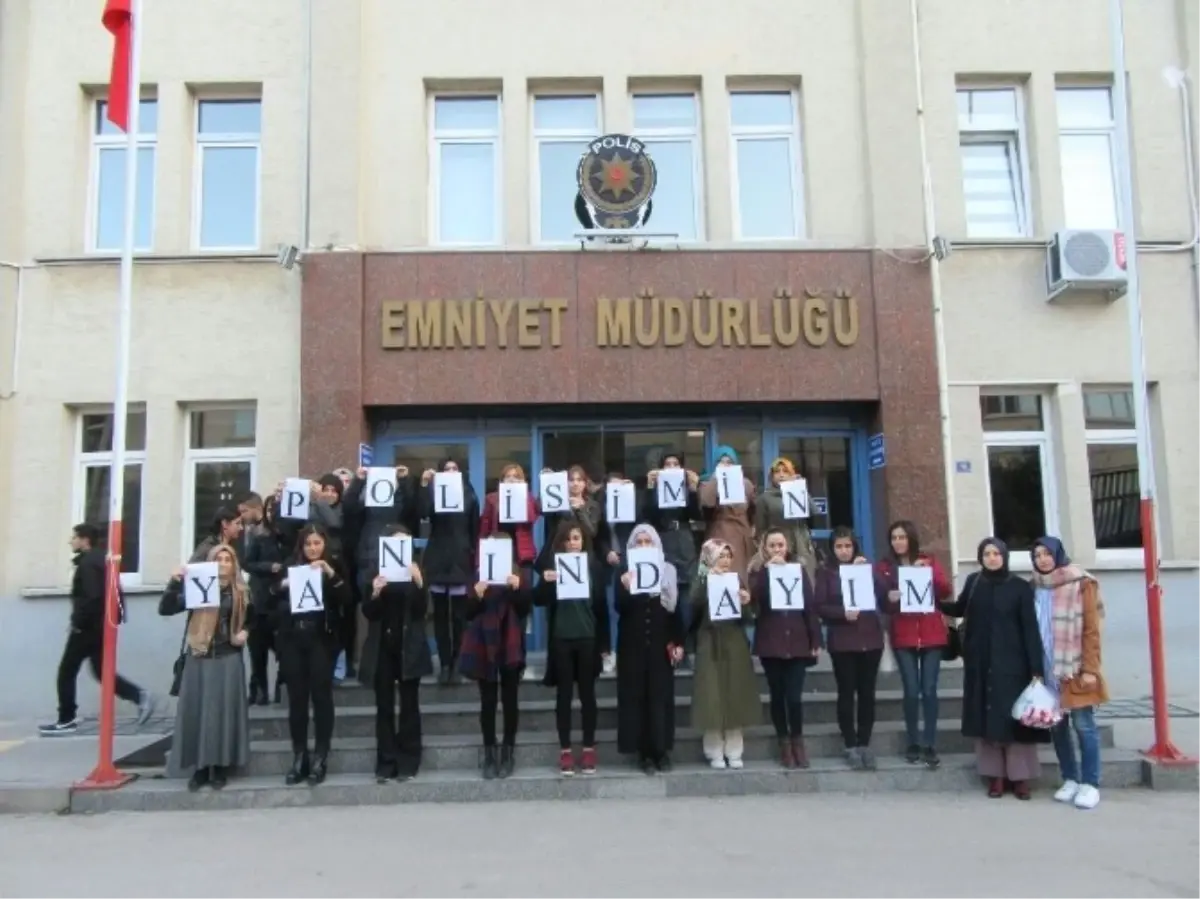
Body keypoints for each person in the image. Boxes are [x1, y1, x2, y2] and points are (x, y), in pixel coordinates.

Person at [941, 537, 1047, 800]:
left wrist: (1036, 668)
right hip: (980, 663)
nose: (991, 558)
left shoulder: (1020, 587)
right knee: (987, 722)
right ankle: (996, 777)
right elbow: (959, 608)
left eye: (996, 553)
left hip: (1014, 664)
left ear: (1004, 556)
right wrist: (929, 599)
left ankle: (1020, 778)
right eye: (986, 554)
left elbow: (1030, 629)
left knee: (1015, 721)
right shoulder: (975, 582)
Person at [39, 524, 154, 736]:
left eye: (74, 537)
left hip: (89, 627)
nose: (70, 541)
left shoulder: (89, 563)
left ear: (85, 540)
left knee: (66, 671)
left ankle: (66, 719)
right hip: (101, 626)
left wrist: (78, 623)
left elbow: (92, 597)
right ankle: (139, 696)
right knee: (102, 671)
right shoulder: (101, 559)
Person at [159, 544, 251, 791]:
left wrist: (245, 632)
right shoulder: (199, 587)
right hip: (199, 657)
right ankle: (200, 768)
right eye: (218, 559)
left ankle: (220, 767)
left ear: (234, 565)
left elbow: (254, 619)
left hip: (228, 657)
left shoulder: (242, 591)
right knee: (199, 712)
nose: (223, 563)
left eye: (227, 559)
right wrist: (175, 581)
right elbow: (166, 608)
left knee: (223, 713)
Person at [1030, 536, 1108, 810]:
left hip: (1074, 666)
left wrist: (1090, 669)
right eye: (1037, 555)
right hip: (1048, 667)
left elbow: (1091, 629)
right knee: (1058, 727)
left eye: (1047, 554)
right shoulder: (1035, 587)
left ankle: (1091, 783)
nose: (1042, 560)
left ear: (1057, 554)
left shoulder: (1081, 582)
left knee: (1084, 726)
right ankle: (1070, 778)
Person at [270, 523, 349, 786]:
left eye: (317, 543)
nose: (313, 548)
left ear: (324, 544)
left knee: (322, 698)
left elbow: (347, 600)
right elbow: (268, 601)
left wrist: (331, 574)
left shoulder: (333, 566)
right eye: (308, 544)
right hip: (293, 639)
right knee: (297, 700)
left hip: (321, 640)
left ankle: (321, 756)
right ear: (301, 546)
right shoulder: (290, 566)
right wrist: (282, 585)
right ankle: (299, 755)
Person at [876, 519, 953, 768]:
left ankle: (930, 742)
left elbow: (945, 590)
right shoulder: (885, 567)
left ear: (911, 538)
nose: (898, 542)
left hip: (931, 634)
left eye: (902, 537)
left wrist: (927, 573)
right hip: (903, 634)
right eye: (894, 538)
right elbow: (880, 600)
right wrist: (890, 596)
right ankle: (913, 741)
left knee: (929, 689)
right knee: (911, 690)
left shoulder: (928, 560)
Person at [535, 520, 610, 776]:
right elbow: (538, 600)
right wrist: (546, 581)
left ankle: (589, 748)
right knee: (564, 696)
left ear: (583, 542)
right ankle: (565, 750)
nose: (573, 543)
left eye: (576, 538)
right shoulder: (554, 567)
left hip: (588, 638)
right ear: (562, 543)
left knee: (588, 696)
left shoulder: (594, 568)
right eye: (568, 539)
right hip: (562, 639)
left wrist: (605, 644)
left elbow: (601, 609)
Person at [359, 524, 432, 783]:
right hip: (384, 647)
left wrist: (419, 582)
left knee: (410, 705)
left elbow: (423, 611)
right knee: (384, 706)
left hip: (409, 646)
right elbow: (369, 612)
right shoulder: (377, 573)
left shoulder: (416, 570)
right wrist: (376, 592)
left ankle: (409, 760)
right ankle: (386, 761)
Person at [458, 534, 532, 779]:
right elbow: (467, 614)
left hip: (510, 641)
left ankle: (508, 750)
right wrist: (476, 595)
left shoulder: (518, 574)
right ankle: (489, 751)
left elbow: (525, 609)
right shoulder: (478, 575)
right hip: (484, 643)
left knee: (510, 699)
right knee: (487, 701)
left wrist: (516, 589)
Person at [748, 528, 821, 769]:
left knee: (794, 697)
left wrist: (815, 640)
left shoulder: (798, 570)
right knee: (777, 696)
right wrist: (767, 573)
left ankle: (798, 740)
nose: (777, 550)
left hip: (798, 641)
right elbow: (755, 601)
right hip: (772, 642)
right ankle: (784, 743)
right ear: (765, 549)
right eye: (772, 546)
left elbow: (810, 607)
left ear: (786, 547)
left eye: (780, 545)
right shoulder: (759, 572)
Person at [615, 524, 683, 774]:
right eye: (639, 542)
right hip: (632, 644)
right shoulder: (624, 572)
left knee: (660, 697)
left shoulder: (668, 571)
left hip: (660, 642)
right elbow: (619, 607)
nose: (644, 546)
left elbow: (675, 611)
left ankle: (661, 751)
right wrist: (625, 586)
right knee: (637, 698)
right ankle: (643, 753)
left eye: (648, 542)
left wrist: (679, 642)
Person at [815, 526, 884, 770]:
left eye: (848, 546)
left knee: (867, 693)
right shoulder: (826, 572)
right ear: (833, 549)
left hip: (870, 638)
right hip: (843, 640)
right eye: (839, 547)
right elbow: (819, 606)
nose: (844, 551)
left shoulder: (865, 569)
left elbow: (883, 598)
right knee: (847, 691)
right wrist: (842, 614)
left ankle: (865, 742)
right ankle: (850, 743)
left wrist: (871, 573)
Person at [342, 464, 418, 682]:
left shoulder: (399, 502)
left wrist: (404, 481)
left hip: (398, 562)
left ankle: (399, 660)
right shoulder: (365, 503)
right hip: (369, 560)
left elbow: (413, 510)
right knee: (371, 610)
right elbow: (348, 508)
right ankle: (369, 659)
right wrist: (358, 480)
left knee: (398, 610)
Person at [690, 539, 761, 769]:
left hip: (733, 641)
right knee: (711, 695)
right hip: (709, 641)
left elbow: (748, 617)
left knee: (734, 693)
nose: (726, 561)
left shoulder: (736, 579)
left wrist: (747, 602)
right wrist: (708, 579)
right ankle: (713, 750)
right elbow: (693, 604)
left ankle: (734, 749)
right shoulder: (701, 579)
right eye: (721, 556)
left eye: (728, 556)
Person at [416, 458, 480, 684]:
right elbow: (423, 514)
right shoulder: (434, 494)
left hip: (460, 560)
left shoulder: (470, 495)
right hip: (438, 560)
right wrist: (425, 485)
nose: (451, 472)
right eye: (447, 469)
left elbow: (474, 531)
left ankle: (457, 664)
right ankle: (443, 664)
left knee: (459, 618)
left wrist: (473, 560)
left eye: (455, 468)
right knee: (441, 618)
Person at [642, 451, 700, 663]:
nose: (672, 467)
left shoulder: (685, 488)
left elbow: (696, 514)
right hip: (663, 541)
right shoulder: (656, 489)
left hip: (683, 543)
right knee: (665, 600)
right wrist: (650, 487)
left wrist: (693, 489)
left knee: (686, 603)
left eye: (676, 464)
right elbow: (647, 515)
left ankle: (686, 646)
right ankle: (668, 648)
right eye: (668, 464)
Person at [242, 494, 289, 704]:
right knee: (257, 648)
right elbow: (247, 563)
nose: (272, 515)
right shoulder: (259, 535)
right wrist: (269, 567)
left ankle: (282, 687)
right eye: (269, 511)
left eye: (275, 511)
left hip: (283, 598)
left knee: (284, 649)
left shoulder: (288, 537)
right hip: (261, 599)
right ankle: (258, 691)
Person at [698, 446, 756, 580]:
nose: (726, 465)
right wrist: (716, 479)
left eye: (729, 462)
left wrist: (752, 528)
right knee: (717, 574)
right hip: (719, 535)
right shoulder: (707, 482)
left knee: (742, 574)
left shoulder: (746, 484)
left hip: (742, 536)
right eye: (721, 462)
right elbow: (706, 504)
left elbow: (753, 509)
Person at [753, 457, 818, 576]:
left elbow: (814, 511)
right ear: (771, 476)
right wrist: (766, 549)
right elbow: (760, 528)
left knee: (806, 580)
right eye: (777, 472)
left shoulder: (797, 492)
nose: (781, 475)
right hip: (778, 546)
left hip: (801, 543)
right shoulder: (765, 498)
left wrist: (801, 488)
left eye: (785, 471)